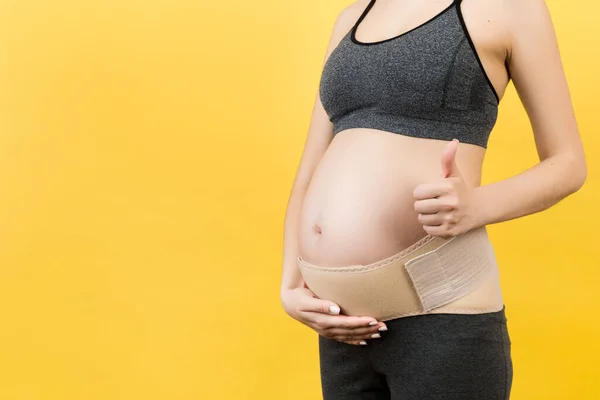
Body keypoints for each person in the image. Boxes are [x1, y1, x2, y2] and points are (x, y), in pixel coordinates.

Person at [279, 0, 586, 398]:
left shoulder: (511, 8)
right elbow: (309, 171)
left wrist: (477, 206)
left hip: (443, 314)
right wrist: (291, 286)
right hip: (342, 328)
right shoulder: (352, 18)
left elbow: (568, 163)